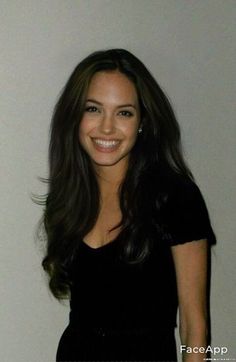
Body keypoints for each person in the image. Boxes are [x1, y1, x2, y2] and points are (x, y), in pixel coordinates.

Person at [39, 49, 215, 361]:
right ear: (74, 116)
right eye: (93, 109)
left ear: (143, 122)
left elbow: (194, 324)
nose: (106, 128)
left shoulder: (174, 196)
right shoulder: (69, 198)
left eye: (124, 113)